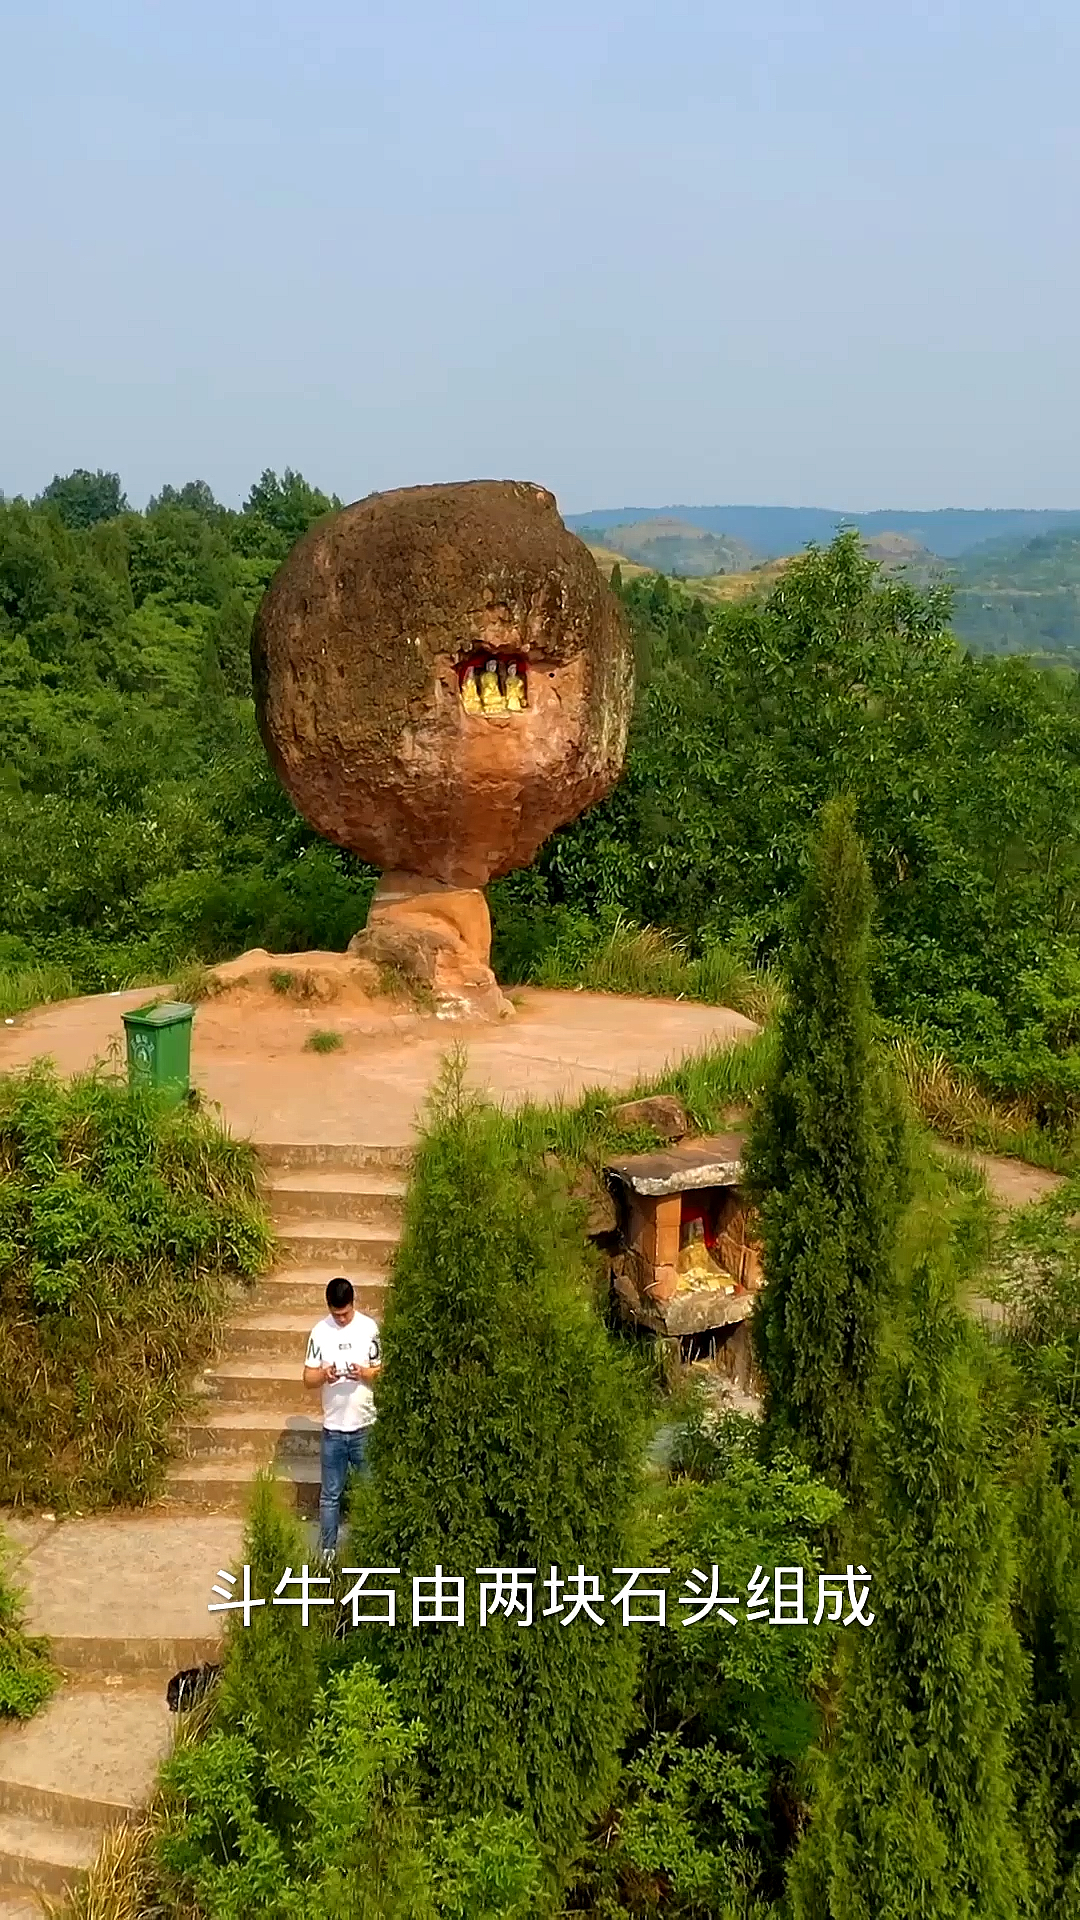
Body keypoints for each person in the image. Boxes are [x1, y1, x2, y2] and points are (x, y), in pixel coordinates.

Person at [304, 1276, 381, 1560]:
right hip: (334, 1429)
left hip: (365, 1426)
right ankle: (328, 1552)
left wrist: (365, 1373)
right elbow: (308, 1378)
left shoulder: (369, 1328)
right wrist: (325, 1375)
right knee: (330, 1495)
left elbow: (381, 1370)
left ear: (353, 1304)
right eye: (336, 1314)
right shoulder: (319, 1332)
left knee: (369, 1490)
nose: (342, 1319)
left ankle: (370, 1548)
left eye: (346, 1313)